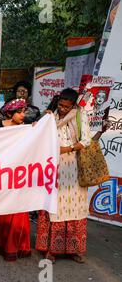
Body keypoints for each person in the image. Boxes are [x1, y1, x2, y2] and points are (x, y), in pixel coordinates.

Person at [35, 88, 91, 264]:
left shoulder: (80, 117)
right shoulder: (50, 116)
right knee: (54, 205)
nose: (63, 109)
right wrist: (44, 118)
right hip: (53, 166)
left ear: (73, 105)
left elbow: (86, 140)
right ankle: (51, 249)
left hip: (73, 165)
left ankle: (75, 249)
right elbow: (35, 132)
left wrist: (68, 149)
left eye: (67, 106)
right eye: (61, 105)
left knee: (75, 207)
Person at [0, 98, 31, 262]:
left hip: (20, 173)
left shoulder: (27, 129)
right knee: (4, 207)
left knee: (20, 208)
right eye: (19, 112)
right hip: (3, 173)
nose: (23, 115)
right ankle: (1, 244)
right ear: (9, 113)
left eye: (24, 112)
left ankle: (18, 245)